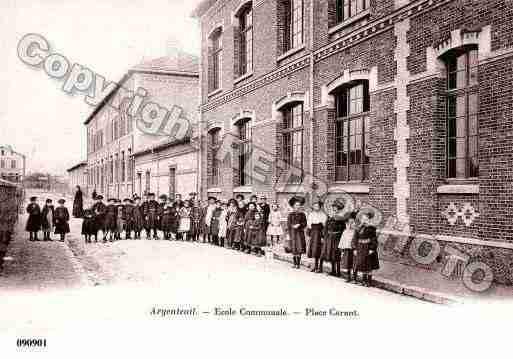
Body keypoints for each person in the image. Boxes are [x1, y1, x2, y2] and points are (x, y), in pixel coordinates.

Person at [352, 211, 379, 286]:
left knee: (368, 265)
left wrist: (372, 249)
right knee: (361, 263)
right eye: (363, 219)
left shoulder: (372, 228)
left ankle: (368, 281)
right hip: (360, 247)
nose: (364, 220)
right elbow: (355, 238)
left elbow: (374, 239)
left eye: (366, 219)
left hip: (367, 247)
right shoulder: (358, 228)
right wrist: (354, 248)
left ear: (369, 220)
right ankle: (363, 280)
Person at [321, 199, 347, 277]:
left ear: (339, 210)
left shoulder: (341, 219)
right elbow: (325, 227)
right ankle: (333, 270)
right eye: (334, 208)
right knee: (330, 254)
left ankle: (338, 272)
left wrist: (341, 239)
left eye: (336, 209)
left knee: (337, 254)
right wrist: (324, 236)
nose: (335, 210)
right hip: (329, 238)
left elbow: (343, 229)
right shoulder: (329, 217)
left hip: (337, 238)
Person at [307, 200, 328, 273]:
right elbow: (309, 226)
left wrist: (323, 236)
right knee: (314, 250)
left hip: (320, 233)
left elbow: (324, 227)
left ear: (320, 207)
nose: (316, 207)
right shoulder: (311, 214)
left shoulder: (323, 215)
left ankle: (320, 267)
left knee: (320, 250)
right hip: (313, 233)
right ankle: (315, 266)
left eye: (317, 206)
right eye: (314, 206)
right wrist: (309, 235)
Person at [287, 197, 307, 269]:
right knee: (293, 247)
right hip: (292, 233)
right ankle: (294, 263)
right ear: (293, 206)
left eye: (299, 205)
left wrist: (300, 225)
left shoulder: (302, 214)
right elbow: (288, 224)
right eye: (296, 205)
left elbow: (305, 223)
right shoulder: (290, 215)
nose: (297, 207)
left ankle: (298, 264)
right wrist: (292, 226)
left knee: (299, 247)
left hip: (299, 233)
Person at [339, 212, 357, 282]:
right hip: (346, 249)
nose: (349, 225)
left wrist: (356, 248)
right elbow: (342, 240)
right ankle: (348, 277)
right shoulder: (345, 232)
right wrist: (342, 249)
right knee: (347, 263)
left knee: (354, 263)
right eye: (348, 223)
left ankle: (354, 278)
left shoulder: (355, 232)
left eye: (352, 223)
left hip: (353, 249)